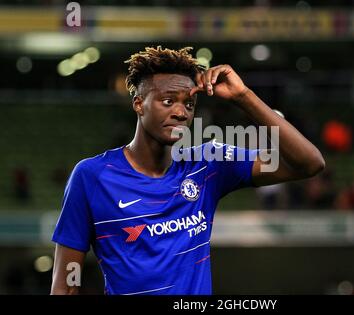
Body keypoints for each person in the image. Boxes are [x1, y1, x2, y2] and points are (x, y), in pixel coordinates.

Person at [50, 46, 325, 295]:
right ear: (138, 105)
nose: (181, 112)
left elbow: (309, 162)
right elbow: (65, 286)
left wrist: (243, 97)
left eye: (189, 104)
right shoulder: (91, 177)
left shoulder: (209, 163)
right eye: (168, 101)